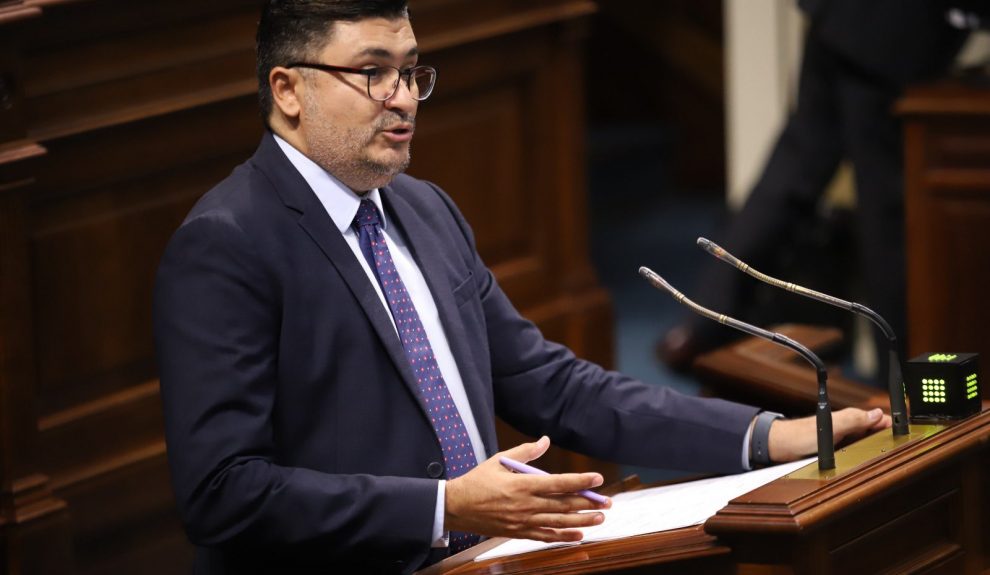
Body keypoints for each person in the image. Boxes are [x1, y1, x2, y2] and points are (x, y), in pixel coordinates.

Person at [152, 1, 891, 572]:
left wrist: (770, 436)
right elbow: (224, 493)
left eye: (412, 70)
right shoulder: (228, 244)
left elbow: (556, 387)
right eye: (373, 72)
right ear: (288, 90)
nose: (404, 97)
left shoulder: (424, 207)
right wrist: (444, 506)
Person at [659, 0, 971, 376]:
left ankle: (703, 320)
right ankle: (902, 380)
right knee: (886, 213)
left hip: (836, 15)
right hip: (895, 32)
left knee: (795, 166)